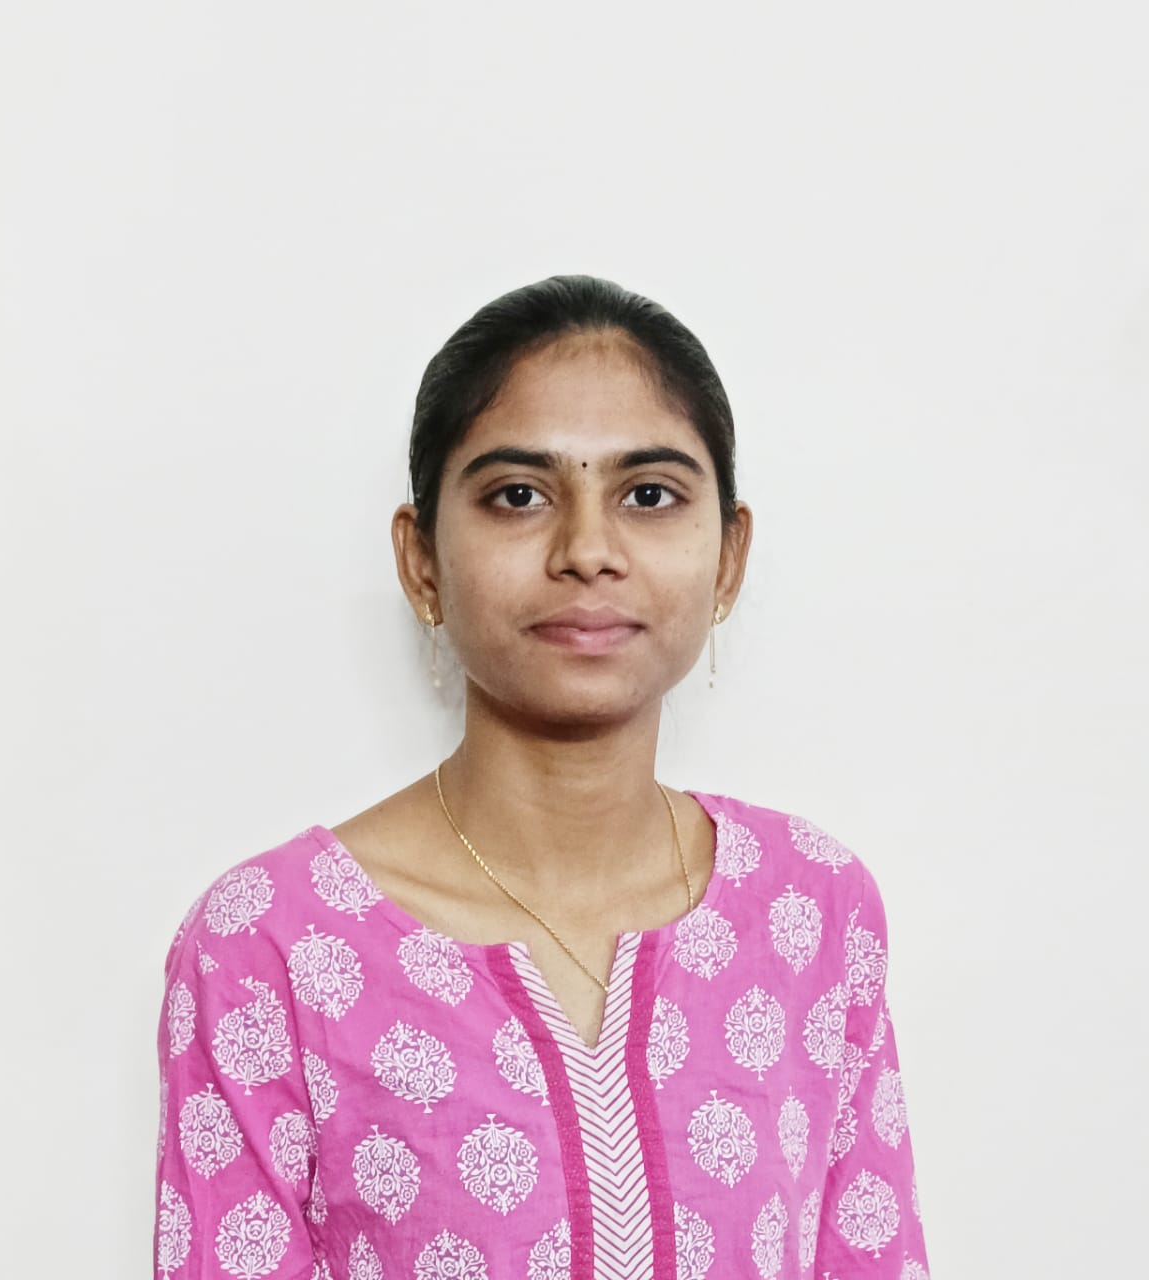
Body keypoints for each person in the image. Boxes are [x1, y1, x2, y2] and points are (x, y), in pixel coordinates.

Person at [153, 275, 930, 1279]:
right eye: (519, 494)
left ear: (729, 558)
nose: (588, 551)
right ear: (421, 560)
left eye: (648, 495)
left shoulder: (813, 909)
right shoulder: (269, 947)